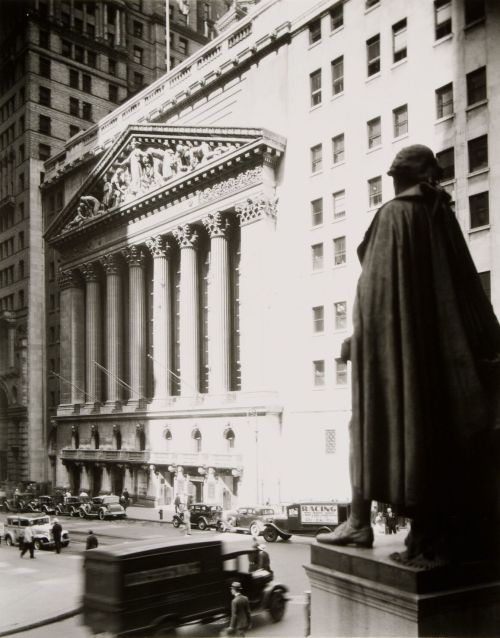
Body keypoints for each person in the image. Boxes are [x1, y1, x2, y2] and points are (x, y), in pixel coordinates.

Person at [317, 145, 500, 567]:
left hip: (396, 358)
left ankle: (360, 522)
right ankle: (414, 529)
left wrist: (359, 341)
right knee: (427, 434)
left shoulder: (396, 216)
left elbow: (374, 295)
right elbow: (466, 288)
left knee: (364, 428)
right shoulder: (441, 217)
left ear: (400, 177)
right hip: (442, 360)